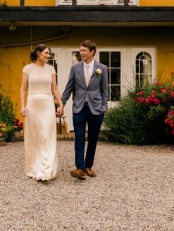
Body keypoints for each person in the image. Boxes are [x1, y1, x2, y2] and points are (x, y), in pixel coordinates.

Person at [61, 40, 108, 180]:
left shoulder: (102, 68)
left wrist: (103, 107)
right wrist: (61, 104)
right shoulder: (75, 68)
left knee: (93, 139)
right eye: (80, 50)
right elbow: (69, 88)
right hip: (79, 108)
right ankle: (80, 168)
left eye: (84, 50)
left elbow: (105, 90)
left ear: (92, 52)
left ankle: (88, 166)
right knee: (79, 138)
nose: (81, 53)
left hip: (96, 109)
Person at [20, 44, 64, 182]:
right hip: (32, 105)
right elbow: (22, 89)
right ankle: (34, 168)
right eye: (46, 53)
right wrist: (22, 106)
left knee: (47, 136)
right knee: (34, 137)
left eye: (49, 53)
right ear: (38, 53)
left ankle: (46, 171)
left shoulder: (51, 69)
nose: (48, 55)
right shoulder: (28, 69)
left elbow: (55, 89)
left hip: (47, 105)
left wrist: (60, 104)